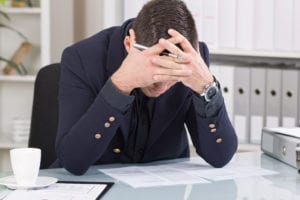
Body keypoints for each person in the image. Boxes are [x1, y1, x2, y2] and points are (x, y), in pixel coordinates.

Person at [54, 0, 238, 175]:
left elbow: (220, 156)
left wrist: (207, 88)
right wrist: (121, 84)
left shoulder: (193, 59)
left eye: (173, 75)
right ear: (129, 45)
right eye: (157, 71)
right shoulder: (81, 57)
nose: (163, 85)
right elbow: (73, 161)